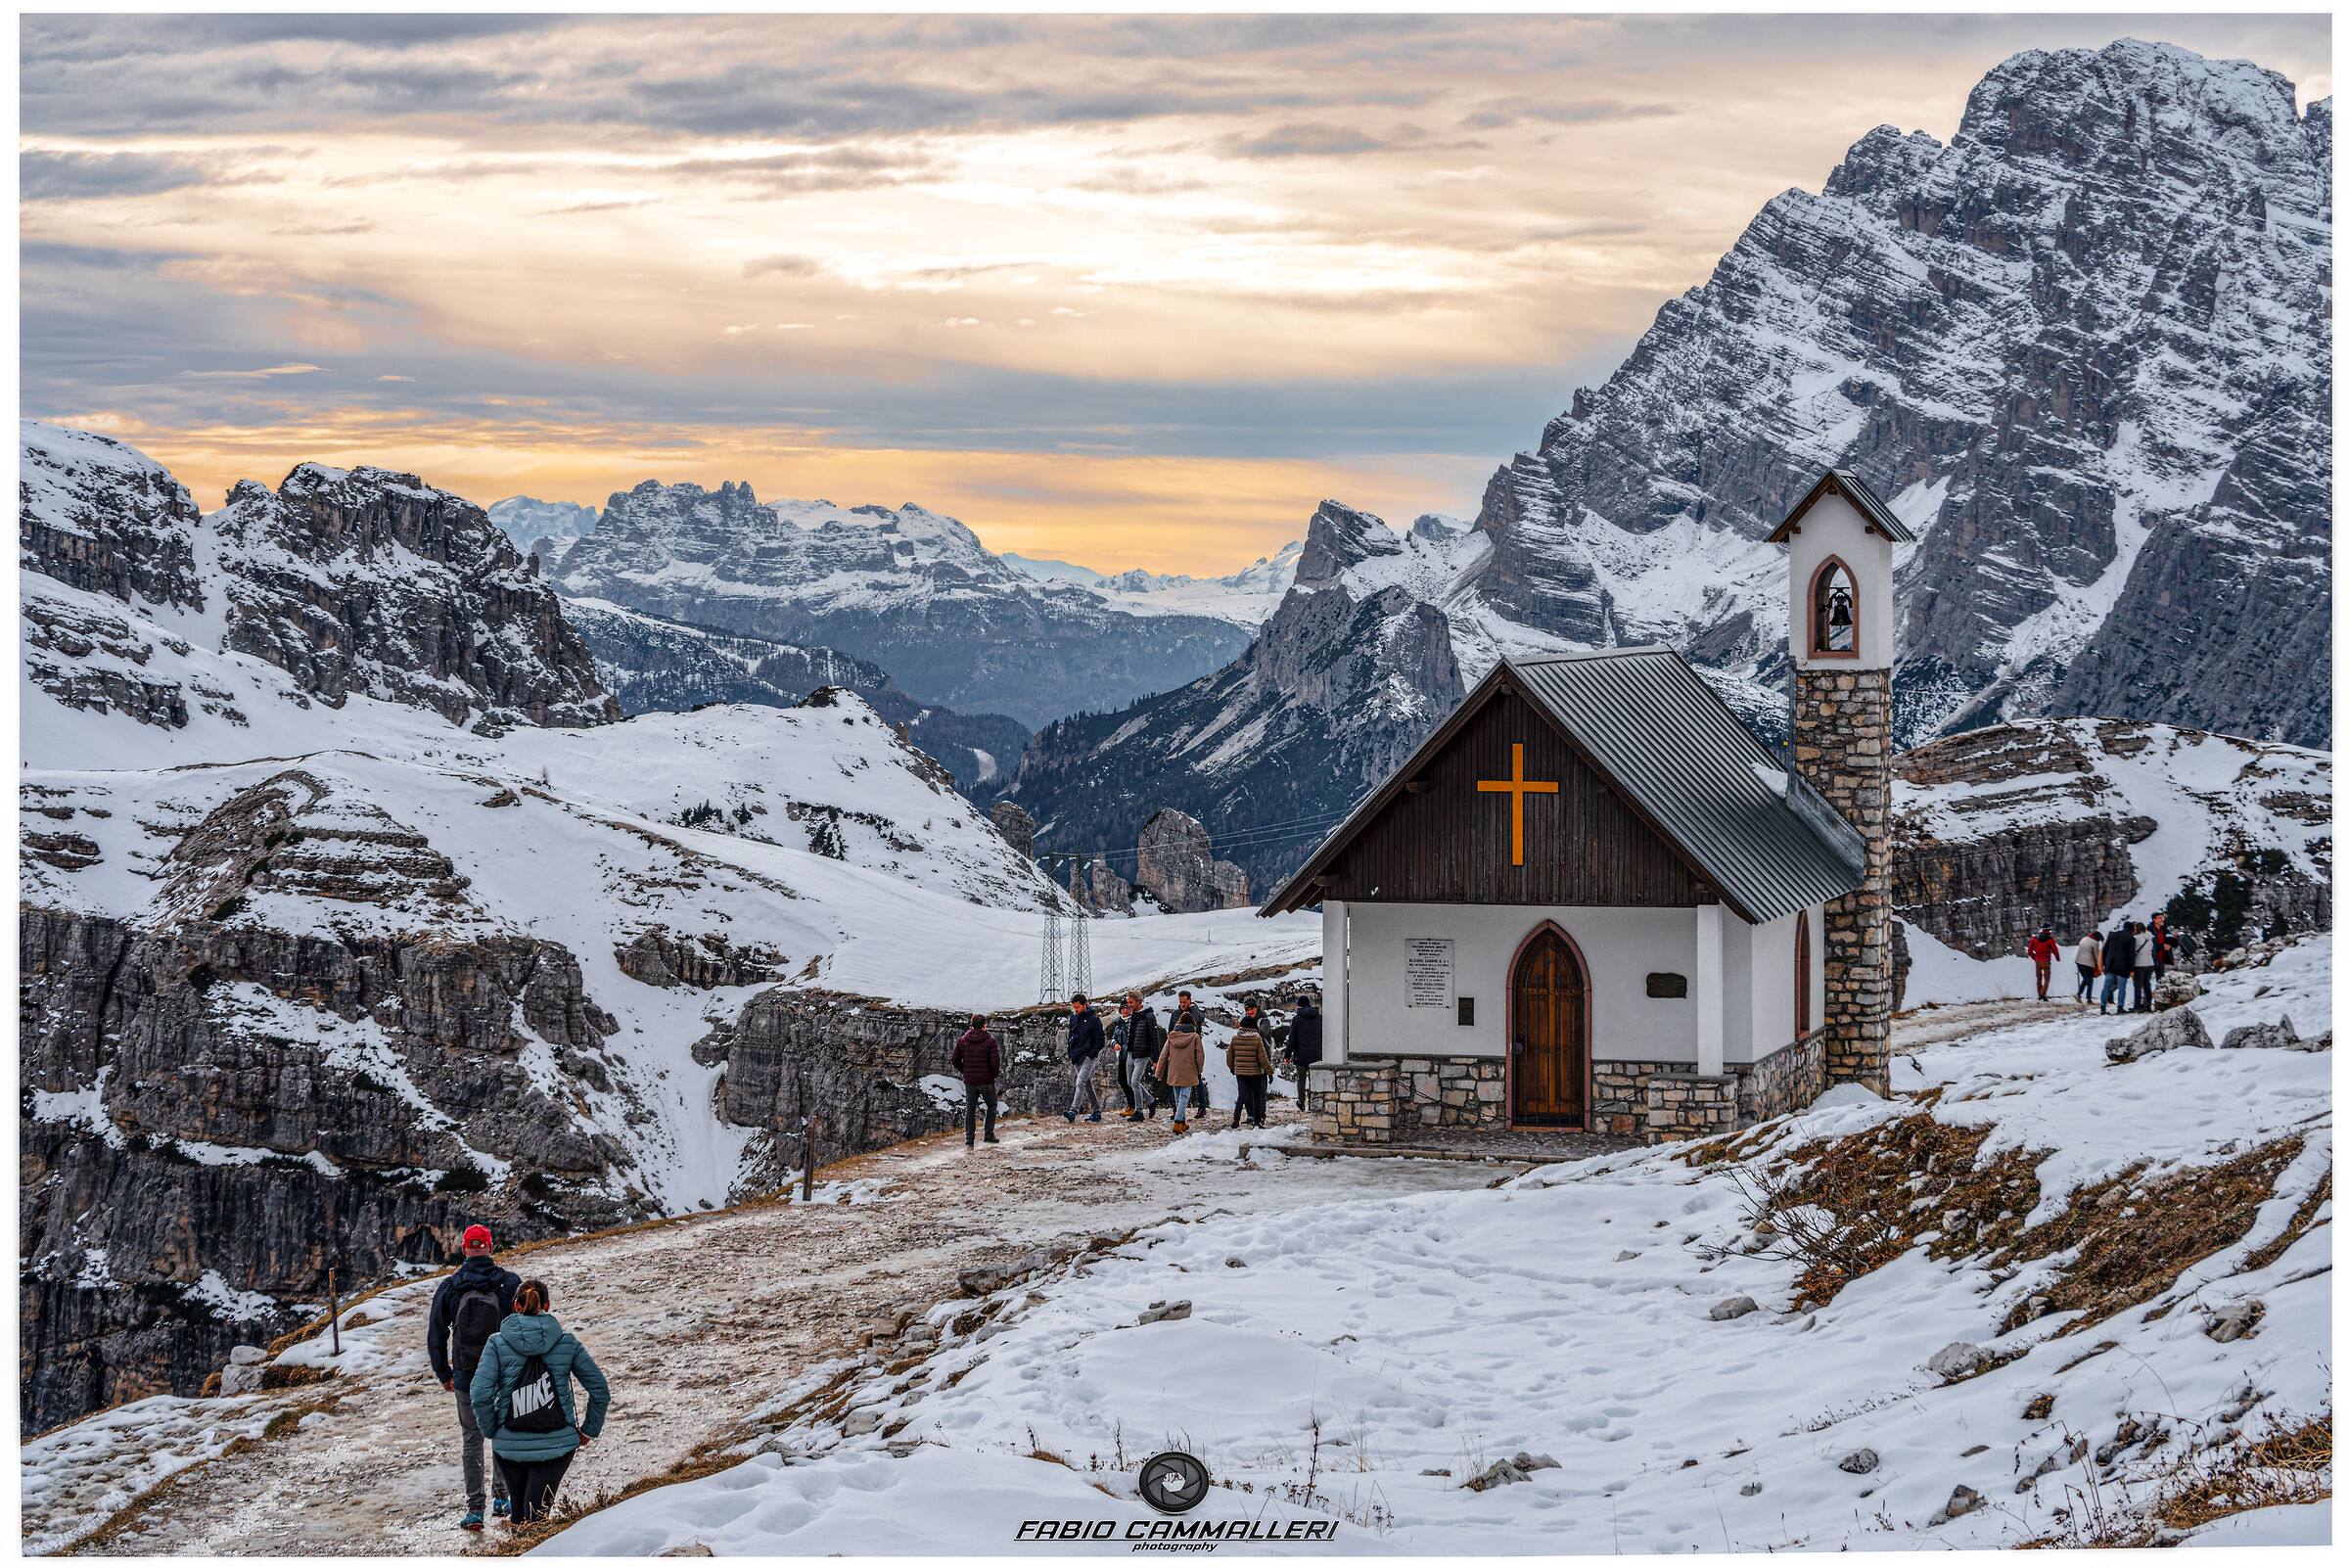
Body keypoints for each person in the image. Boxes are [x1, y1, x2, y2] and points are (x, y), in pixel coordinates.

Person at [469, 1277, 610, 1527]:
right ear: (547, 1304)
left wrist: (492, 1430)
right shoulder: (567, 1342)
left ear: (515, 1305)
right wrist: (589, 1430)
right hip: (557, 1445)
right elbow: (599, 1389)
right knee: (536, 1517)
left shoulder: (497, 1343)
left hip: (508, 1446)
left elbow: (480, 1394)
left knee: (521, 1516)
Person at [428, 1224, 520, 1530]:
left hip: (466, 1376)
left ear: (465, 1249)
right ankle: (503, 1499)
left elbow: (436, 1336)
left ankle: (474, 1511)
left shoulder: (451, 1287)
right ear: (491, 1248)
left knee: (472, 1440)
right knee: (503, 1433)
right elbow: (522, 1330)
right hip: (503, 1374)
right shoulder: (510, 1284)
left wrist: (444, 1373)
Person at [1155, 991, 1206, 1132]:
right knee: (1182, 1094)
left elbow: (1163, 1054)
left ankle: (1190, 1114)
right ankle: (1178, 1120)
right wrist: (1199, 1069)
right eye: (1181, 1002)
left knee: (1180, 1093)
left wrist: (1159, 1071)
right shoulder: (1193, 1034)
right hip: (1187, 1062)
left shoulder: (1193, 1013)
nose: (1182, 1004)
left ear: (1190, 1000)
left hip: (1178, 1062)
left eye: (1185, 1002)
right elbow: (1200, 1055)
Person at [951, 1013, 1002, 1146]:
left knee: (970, 1109)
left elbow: (954, 1059)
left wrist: (965, 1071)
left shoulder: (962, 1040)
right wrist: (993, 1074)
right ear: (984, 1025)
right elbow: (995, 1061)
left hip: (970, 1081)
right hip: (986, 1080)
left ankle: (969, 1139)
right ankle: (988, 1134)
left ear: (972, 1024)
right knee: (991, 1105)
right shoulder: (990, 1041)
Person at [1225, 1007, 1273, 1130]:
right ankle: (1257, 1122)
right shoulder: (1257, 1039)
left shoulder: (1235, 1039)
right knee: (1257, 1097)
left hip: (1240, 1073)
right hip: (1256, 1073)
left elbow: (1229, 1056)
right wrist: (1270, 1072)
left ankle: (1236, 1120)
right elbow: (1263, 1059)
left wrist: (1232, 1068)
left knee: (1242, 1096)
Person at [1064, 993, 1107, 1123]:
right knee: (1087, 1085)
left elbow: (1101, 1040)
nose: (1075, 1010)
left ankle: (1073, 1111)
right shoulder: (1073, 1018)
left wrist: (1091, 1054)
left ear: (1084, 1005)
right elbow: (1071, 1036)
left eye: (1077, 1007)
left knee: (1080, 1082)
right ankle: (1097, 1112)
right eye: (1074, 1008)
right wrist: (1070, 1053)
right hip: (1076, 1057)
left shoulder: (1094, 1020)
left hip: (1088, 1056)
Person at [1120, 995, 1164, 1121]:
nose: (1129, 1005)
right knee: (1130, 1081)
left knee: (1134, 1081)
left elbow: (1155, 1039)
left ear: (1139, 1001)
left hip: (1143, 1054)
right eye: (1128, 1003)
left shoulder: (1149, 1017)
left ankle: (1139, 1112)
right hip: (1131, 1053)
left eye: (1131, 1002)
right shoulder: (1134, 1015)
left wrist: (1156, 1060)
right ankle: (1151, 1101)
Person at [1283, 994, 1324, 1113]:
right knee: (1314, 1079)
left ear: (1299, 1005)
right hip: (1316, 1054)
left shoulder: (1297, 1019)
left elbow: (1292, 1039)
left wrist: (1287, 1055)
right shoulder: (1319, 1017)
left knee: (1301, 1079)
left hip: (1301, 1054)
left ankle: (1301, 1103)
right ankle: (1314, 1103)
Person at [1106, 1007, 1137, 1119]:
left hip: (1130, 1055)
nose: (1125, 1010)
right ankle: (1131, 1104)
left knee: (1130, 1081)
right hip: (1121, 1056)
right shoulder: (1119, 1023)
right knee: (1122, 1080)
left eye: (1127, 1008)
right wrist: (1114, 1044)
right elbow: (1114, 1038)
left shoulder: (1132, 1022)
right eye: (1123, 1008)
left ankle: (1133, 1106)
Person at [2099, 922, 2135, 1015]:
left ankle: (2103, 1007)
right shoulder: (2131, 938)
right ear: (2131, 929)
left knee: (2106, 987)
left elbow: (2104, 949)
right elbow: (2131, 955)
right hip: (2123, 967)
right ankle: (2120, 1007)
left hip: (2110, 965)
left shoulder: (2113, 935)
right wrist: (2132, 969)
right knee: (2121, 988)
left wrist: (2104, 963)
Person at [2025, 927, 2059, 1001]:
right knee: (2047, 979)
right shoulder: (2050, 939)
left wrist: (2034, 957)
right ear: (2049, 931)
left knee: (2039, 978)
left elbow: (2029, 950)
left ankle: (2040, 994)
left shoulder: (2035, 938)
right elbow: (2055, 950)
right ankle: (2043, 993)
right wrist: (2057, 957)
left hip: (2038, 960)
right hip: (2046, 960)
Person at [2130, 920, 2156, 1012]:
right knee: (2147, 985)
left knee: (2137, 986)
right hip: (2150, 963)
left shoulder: (2136, 938)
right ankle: (2148, 1005)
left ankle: (2137, 1006)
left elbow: (2133, 951)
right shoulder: (2150, 937)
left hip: (2139, 964)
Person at [2073, 929, 2102, 1005]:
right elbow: (2096, 956)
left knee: (2086, 979)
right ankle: (2088, 999)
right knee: (2089, 981)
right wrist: (2098, 966)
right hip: (2088, 964)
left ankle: (2079, 994)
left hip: (2079, 962)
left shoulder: (2084, 939)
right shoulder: (2095, 943)